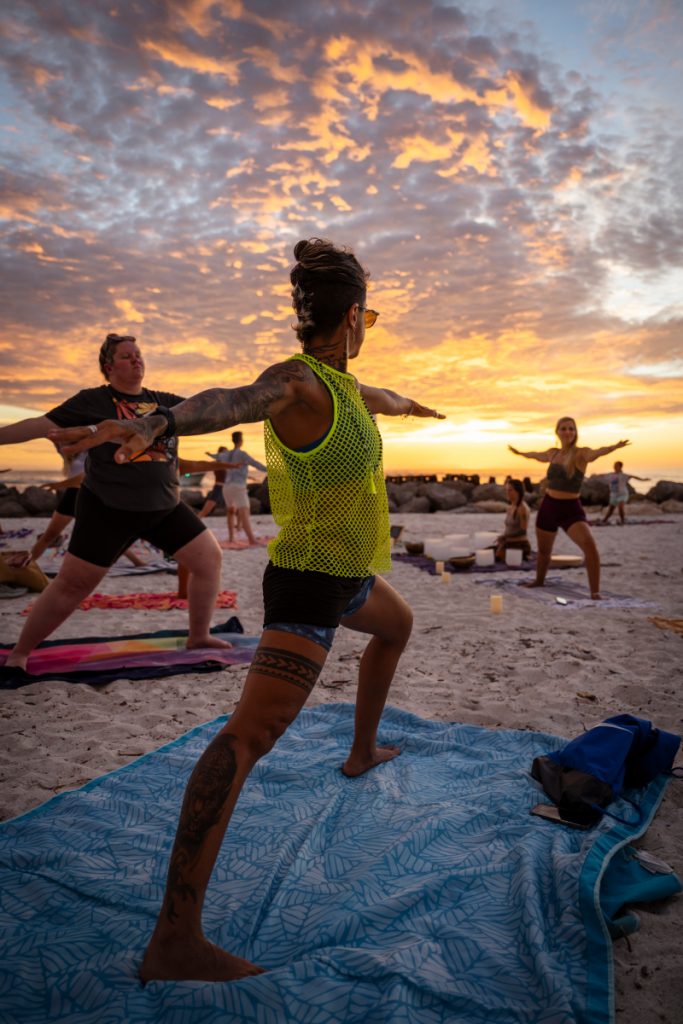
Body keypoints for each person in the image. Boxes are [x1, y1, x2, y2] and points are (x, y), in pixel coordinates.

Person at [52, 237, 444, 984]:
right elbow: (230, 401)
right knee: (248, 734)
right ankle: (174, 938)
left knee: (397, 627)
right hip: (304, 584)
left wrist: (414, 404)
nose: (374, 327)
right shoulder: (297, 383)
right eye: (374, 316)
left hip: (349, 573)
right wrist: (163, 424)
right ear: (355, 316)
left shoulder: (346, 389)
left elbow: (383, 397)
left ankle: (361, 750)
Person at [0, 333, 230, 672]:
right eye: (126, 356)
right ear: (109, 367)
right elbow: (38, 426)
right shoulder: (93, 401)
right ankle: (21, 652)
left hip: (164, 507)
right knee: (72, 586)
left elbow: (209, 411)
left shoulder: (163, 402)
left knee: (209, 559)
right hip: (109, 509)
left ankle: (199, 636)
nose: (136, 359)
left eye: (138, 354)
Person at [509, 417, 629, 598]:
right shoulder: (553, 453)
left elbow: (597, 453)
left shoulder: (581, 453)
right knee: (543, 551)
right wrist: (519, 453)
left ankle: (595, 592)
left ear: (575, 432)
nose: (567, 432)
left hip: (571, 508)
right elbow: (535, 455)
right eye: (563, 428)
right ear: (557, 432)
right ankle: (539, 581)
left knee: (590, 547)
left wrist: (614, 447)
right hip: (549, 506)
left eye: (571, 429)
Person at [212, 431, 267, 544]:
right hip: (238, 486)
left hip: (227, 487)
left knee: (230, 512)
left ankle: (231, 538)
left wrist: (209, 454)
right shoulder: (242, 454)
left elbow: (215, 456)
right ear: (241, 440)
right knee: (244, 512)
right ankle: (251, 540)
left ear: (233, 440)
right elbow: (255, 463)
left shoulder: (225, 454)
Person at [494, 478, 531, 562]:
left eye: (510, 490)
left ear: (518, 491)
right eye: (507, 490)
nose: (507, 493)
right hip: (508, 542)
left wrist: (505, 537)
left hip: (519, 544)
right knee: (487, 552)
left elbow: (522, 530)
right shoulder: (510, 508)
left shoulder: (522, 509)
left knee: (495, 558)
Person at [197, 446, 228, 519]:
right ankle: (197, 519)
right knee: (206, 510)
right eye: (224, 452)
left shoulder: (227, 464)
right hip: (218, 488)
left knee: (235, 507)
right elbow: (204, 464)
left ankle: (239, 526)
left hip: (227, 489)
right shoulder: (216, 463)